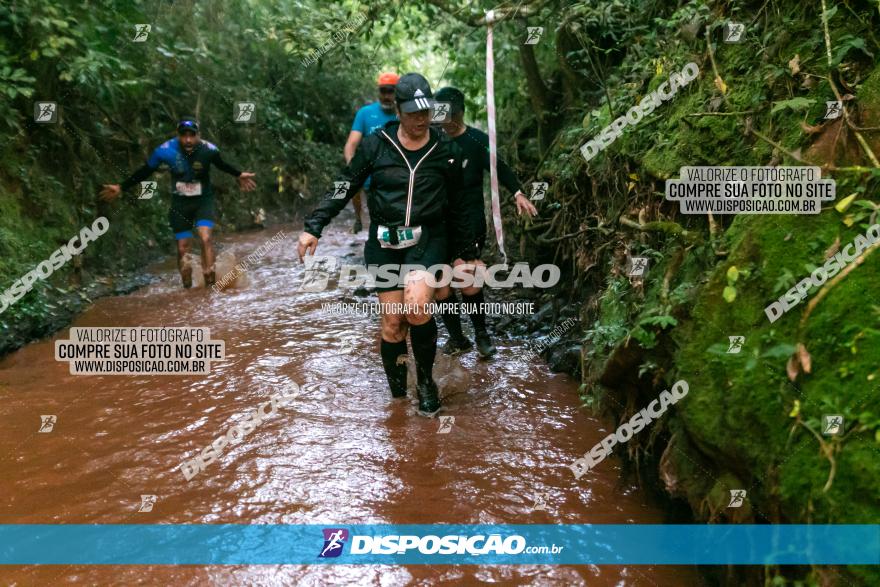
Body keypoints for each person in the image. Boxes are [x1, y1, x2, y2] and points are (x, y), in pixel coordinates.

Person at [297, 73, 474, 416]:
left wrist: (463, 254)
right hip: (385, 241)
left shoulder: (445, 150)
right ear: (397, 109)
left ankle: (425, 382)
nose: (421, 119)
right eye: (412, 113)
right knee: (392, 325)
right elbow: (345, 185)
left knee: (416, 303)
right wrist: (314, 226)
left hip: (428, 238)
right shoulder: (375, 145)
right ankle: (397, 401)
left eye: (426, 112)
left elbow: (460, 205)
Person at [432, 87, 538, 358]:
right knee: (440, 281)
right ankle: (457, 337)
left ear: (461, 112)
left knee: (467, 274)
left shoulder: (477, 140)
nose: (447, 122)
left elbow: (498, 166)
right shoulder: (434, 141)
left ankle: (481, 334)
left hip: (469, 218)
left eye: (451, 115)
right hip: (436, 219)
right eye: (443, 116)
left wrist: (517, 192)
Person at [100, 118, 256, 288]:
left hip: (203, 201)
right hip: (180, 204)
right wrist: (122, 187)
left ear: (198, 136)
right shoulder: (164, 151)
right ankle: (187, 288)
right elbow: (146, 171)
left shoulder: (208, 150)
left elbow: (222, 165)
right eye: (184, 136)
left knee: (205, 237)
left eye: (192, 135)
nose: (188, 140)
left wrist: (238, 174)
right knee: (183, 248)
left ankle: (211, 286)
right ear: (178, 136)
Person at [343, 72, 400, 234]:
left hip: (398, 173)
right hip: (371, 173)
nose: (387, 95)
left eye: (391, 91)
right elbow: (351, 145)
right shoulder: (365, 113)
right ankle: (358, 219)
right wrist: (352, 166)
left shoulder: (404, 114)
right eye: (383, 91)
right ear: (378, 92)